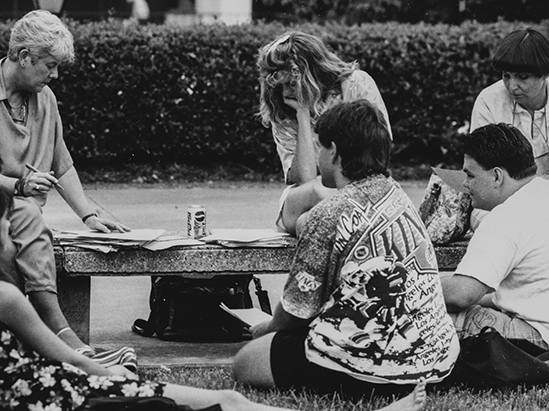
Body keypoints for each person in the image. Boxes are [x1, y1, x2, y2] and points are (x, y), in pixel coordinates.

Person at [0, 173, 428, 411]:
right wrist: (127, 377)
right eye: (4, 224)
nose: (10, 233)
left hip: (29, 399)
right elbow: (70, 362)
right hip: (63, 400)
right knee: (224, 403)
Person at [0, 10, 129, 360]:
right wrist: (21, 186)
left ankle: (37, 341)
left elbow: (61, 164)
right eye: (49, 65)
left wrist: (89, 216)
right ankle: (59, 337)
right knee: (18, 232)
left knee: (23, 227)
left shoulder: (45, 97)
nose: (54, 75)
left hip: (14, 213)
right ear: (23, 57)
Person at [232, 100, 458, 400]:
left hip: (369, 366)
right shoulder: (397, 194)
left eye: (319, 147)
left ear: (334, 151)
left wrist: (266, 329)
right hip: (435, 359)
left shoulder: (328, 213)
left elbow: (295, 313)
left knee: (245, 362)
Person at [256, 31, 392, 236]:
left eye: (292, 83)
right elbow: (305, 179)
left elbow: (379, 156)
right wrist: (302, 112)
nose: (285, 92)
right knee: (315, 193)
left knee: (307, 223)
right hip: (310, 197)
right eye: (280, 85)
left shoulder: (355, 85)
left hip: (359, 190)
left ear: (312, 73)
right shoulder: (283, 111)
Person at [441, 123, 549, 351]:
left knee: (426, 318)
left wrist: (411, 286)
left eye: (470, 174)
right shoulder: (541, 193)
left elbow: (461, 294)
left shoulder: (506, 216)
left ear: (497, 176)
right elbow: (510, 294)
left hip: (536, 337)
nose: (464, 183)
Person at [470, 28, 549, 176]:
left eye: (523, 77)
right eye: (506, 75)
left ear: (545, 73)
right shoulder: (488, 101)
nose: (512, 86)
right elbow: (483, 169)